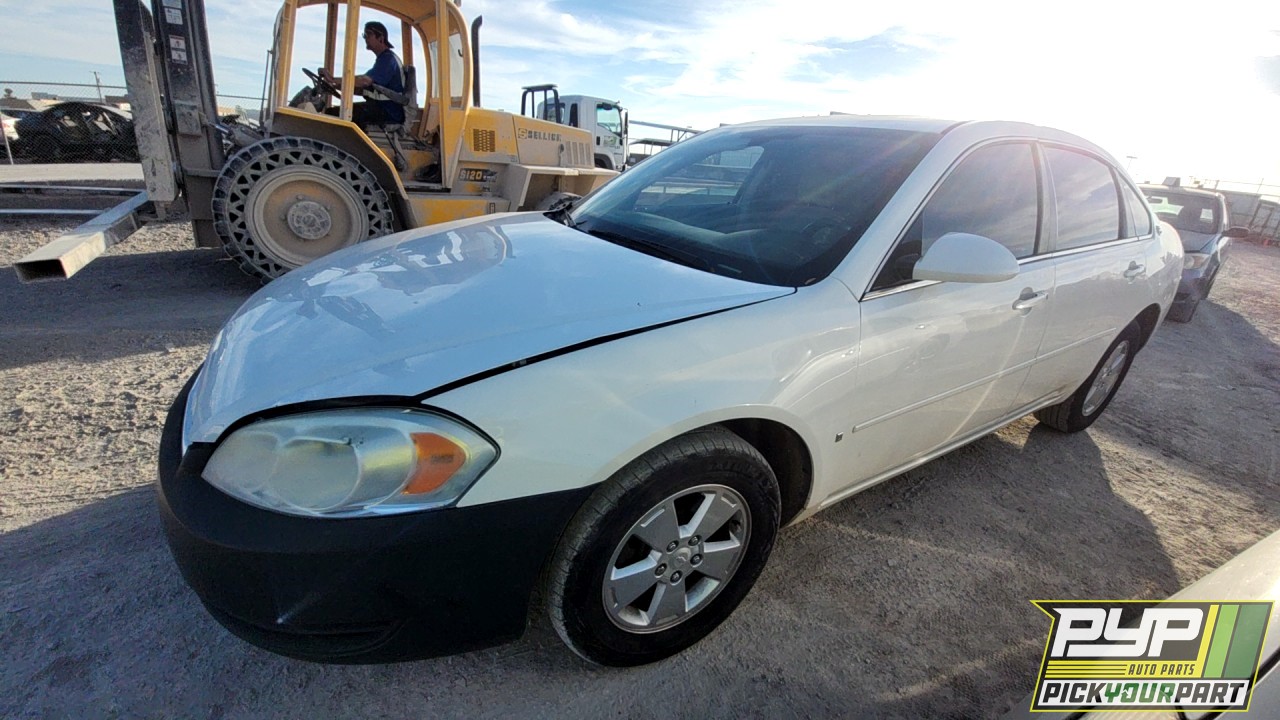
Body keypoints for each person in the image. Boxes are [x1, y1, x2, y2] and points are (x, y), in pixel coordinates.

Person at [320, 21, 405, 129]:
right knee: (339, 111)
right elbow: (364, 89)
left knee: (333, 113)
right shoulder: (383, 60)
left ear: (381, 38)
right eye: (364, 35)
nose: (365, 38)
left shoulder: (388, 60)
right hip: (382, 108)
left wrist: (333, 79)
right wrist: (336, 86)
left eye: (368, 34)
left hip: (389, 111)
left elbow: (364, 81)